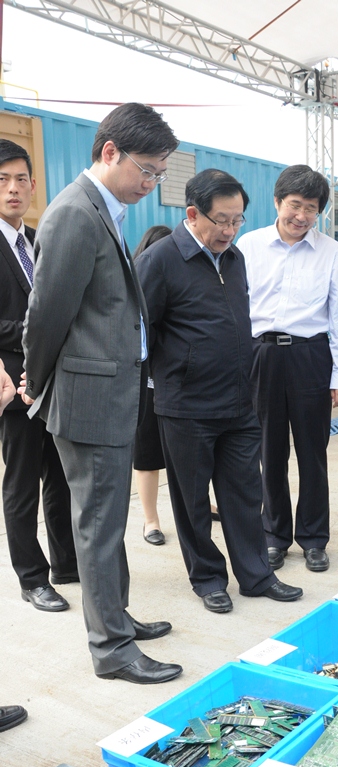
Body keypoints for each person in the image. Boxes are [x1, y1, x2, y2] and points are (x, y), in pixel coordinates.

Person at [20, 103, 183, 685]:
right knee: (97, 524)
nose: (151, 183)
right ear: (110, 151)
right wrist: (35, 382)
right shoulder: (74, 212)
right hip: (88, 401)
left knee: (109, 520)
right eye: (147, 170)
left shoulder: (102, 208)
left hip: (111, 393)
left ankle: (117, 617)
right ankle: (111, 648)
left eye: (160, 173)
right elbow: (46, 315)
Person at [135, 169, 303, 612]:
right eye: (222, 220)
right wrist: (171, 376)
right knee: (192, 501)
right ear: (193, 214)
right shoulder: (160, 260)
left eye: (237, 220)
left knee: (246, 495)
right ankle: (208, 578)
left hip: (240, 401)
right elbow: (138, 332)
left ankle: (256, 575)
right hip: (186, 406)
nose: (230, 230)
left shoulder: (234, 259)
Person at [237, 165, 338, 573]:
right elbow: (236, 306)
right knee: (268, 451)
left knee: (312, 452)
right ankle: (274, 535)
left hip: (310, 357)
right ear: (277, 202)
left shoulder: (332, 252)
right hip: (261, 356)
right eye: (295, 205)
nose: (301, 216)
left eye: (311, 208)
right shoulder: (249, 245)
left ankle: (314, 538)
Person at [0, 140, 78, 612]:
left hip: (54, 382)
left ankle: (67, 563)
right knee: (22, 483)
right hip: (14, 387)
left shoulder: (36, 238)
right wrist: (40, 331)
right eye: (1, 180)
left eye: (20, 179)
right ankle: (32, 578)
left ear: (32, 185)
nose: (12, 189)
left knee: (62, 478)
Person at [133, 224, 172, 546]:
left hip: (180, 383)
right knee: (147, 455)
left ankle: (203, 504)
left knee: (195, 454)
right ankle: (151, 521)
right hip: (146, 384)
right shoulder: (134, 287)